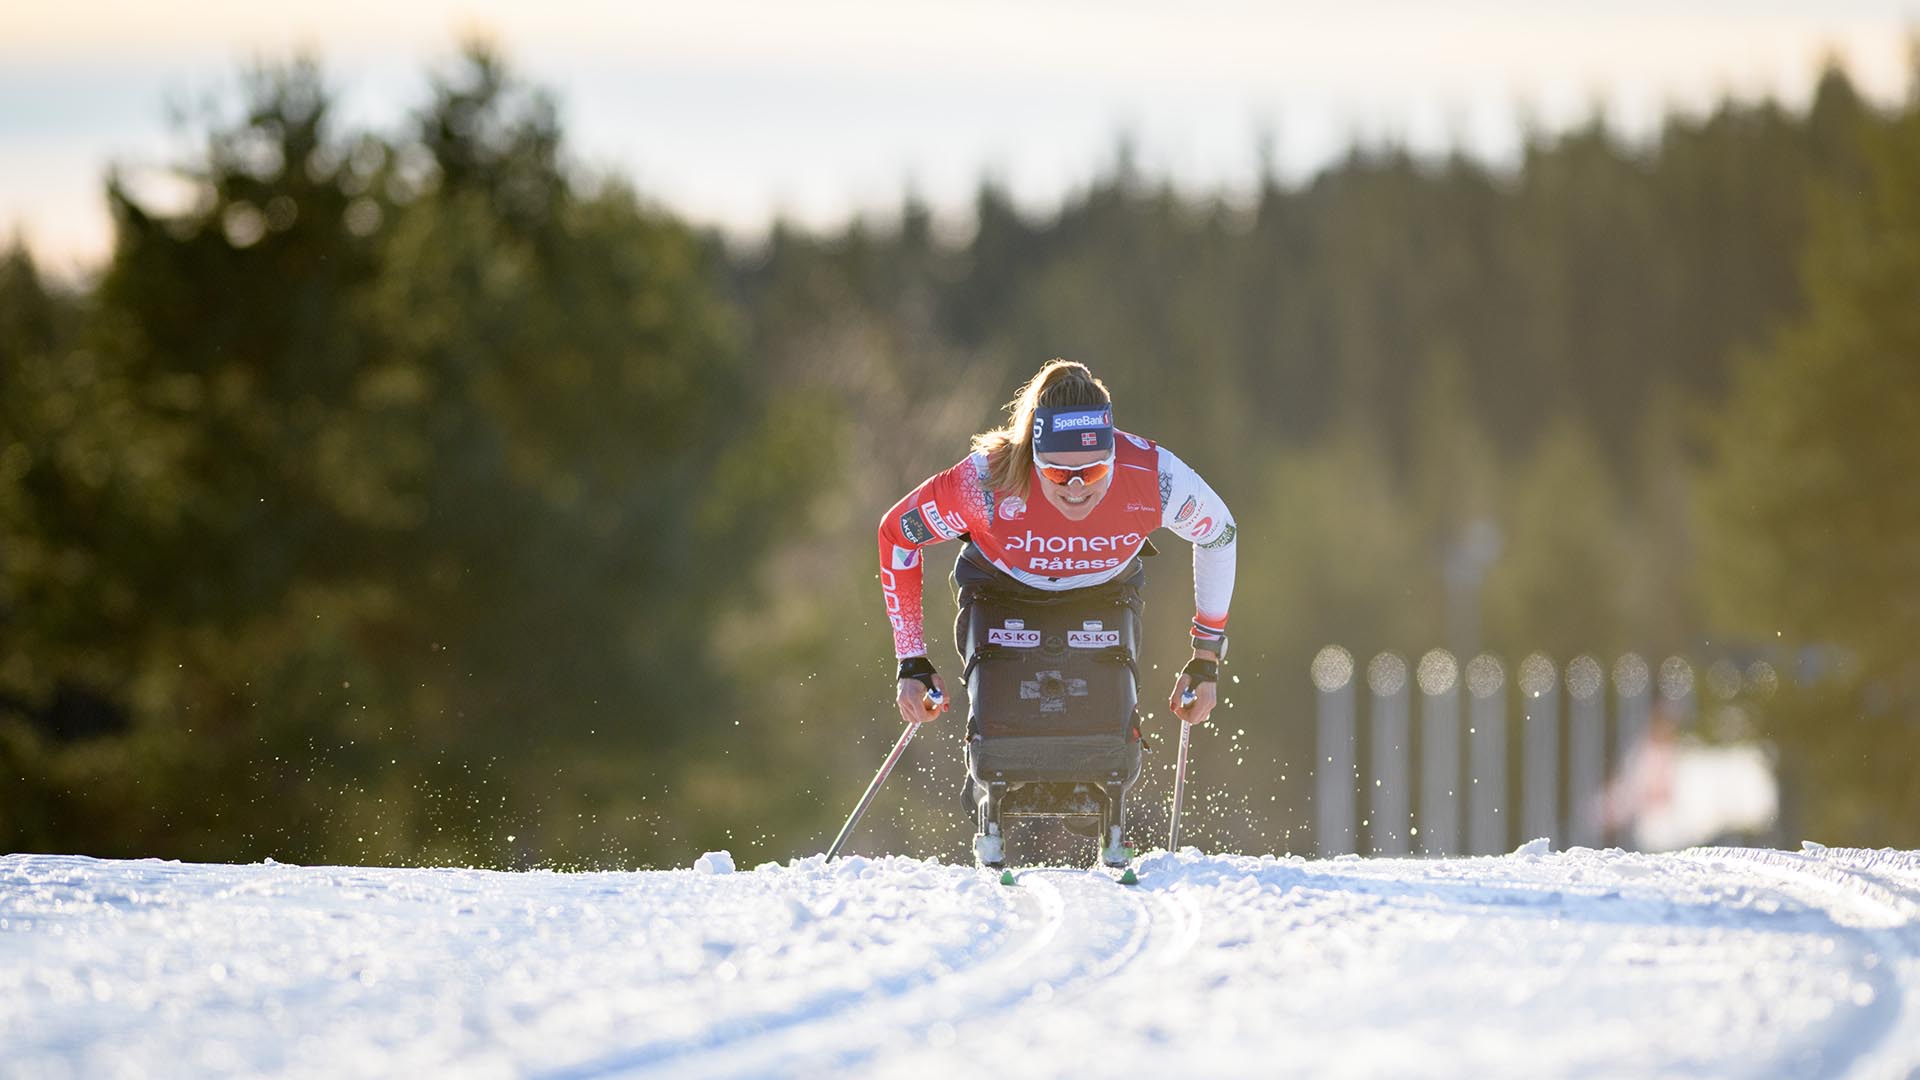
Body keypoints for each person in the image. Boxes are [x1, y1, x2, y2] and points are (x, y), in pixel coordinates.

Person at [877, 357, 1237, 735]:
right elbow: (898, 535)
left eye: (1094, 471)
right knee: (997, 740)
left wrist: (1205, 659)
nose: (1076, 488)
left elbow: (1220, 534)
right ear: (1033, 457)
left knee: (1110, 744)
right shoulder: (983, 483)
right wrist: (911, 658)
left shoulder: (1154, 477)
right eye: (1058, 473)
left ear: (1114, 457)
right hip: (1001, 592)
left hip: (1103, 593)